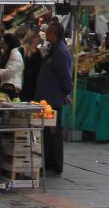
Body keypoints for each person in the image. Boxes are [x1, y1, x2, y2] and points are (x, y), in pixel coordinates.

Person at [35, 22, 73, 176]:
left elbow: (65, 75)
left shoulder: (61, 52)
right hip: (47, 98)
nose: (47, 34)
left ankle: (56, 163)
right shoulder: (55, 49)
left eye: (49, 32)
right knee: (47, 132)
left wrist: (67, 92)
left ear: (54, 34)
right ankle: (49, 161)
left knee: (54, 131)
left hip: (54, 98)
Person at [18, 29, 44, 103]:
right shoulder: (23, 50)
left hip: (36, 83)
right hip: (25, 83)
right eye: (37, 37)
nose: (39, 38)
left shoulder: (39, 51)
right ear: (32, 38)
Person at [0, 32, 25, 99]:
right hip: (6, 85)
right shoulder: (7, 54)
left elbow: (10, 72)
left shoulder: (15, 55)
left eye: (3, 42)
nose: (1, 44)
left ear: (8, 43)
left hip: (12, 87)